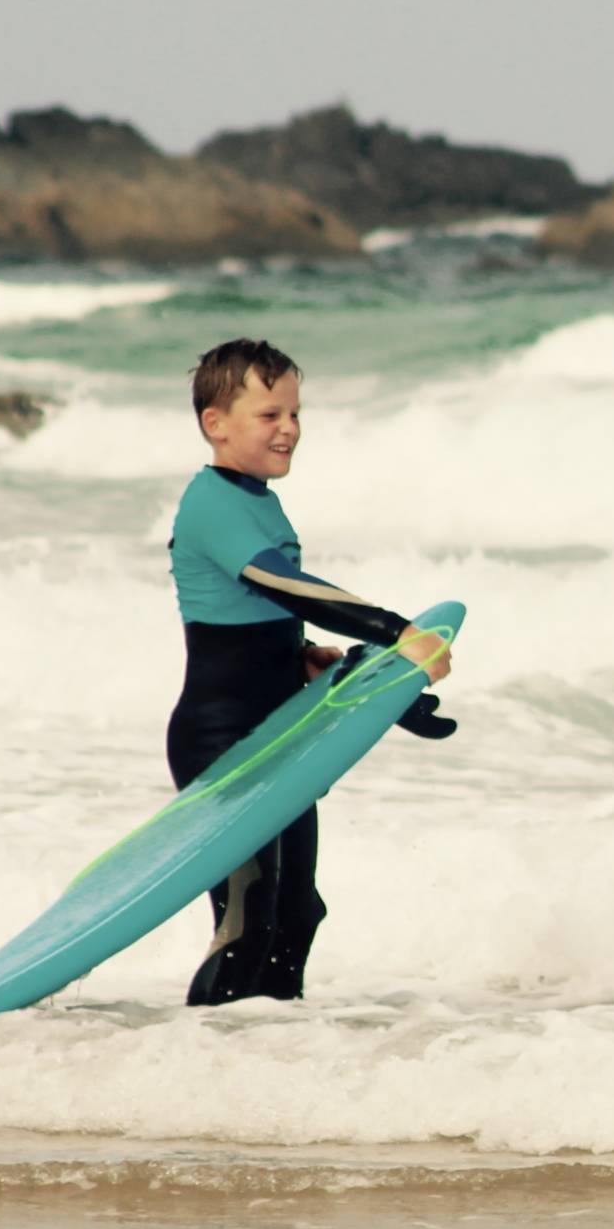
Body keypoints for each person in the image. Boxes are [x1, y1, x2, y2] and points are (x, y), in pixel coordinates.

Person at [166, 338, 453, 1005]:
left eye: (295, 413)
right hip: (224, 746)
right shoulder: (210, 501)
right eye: (270, 415)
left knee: (297, 915)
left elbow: (250, 608)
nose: (289, 428)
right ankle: (197, 1070)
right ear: (217, 423)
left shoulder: (257, 498)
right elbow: (284, 583)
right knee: (247, 921)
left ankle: (275, 1072)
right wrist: (396, 629)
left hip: (277, 735)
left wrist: (299, 655)